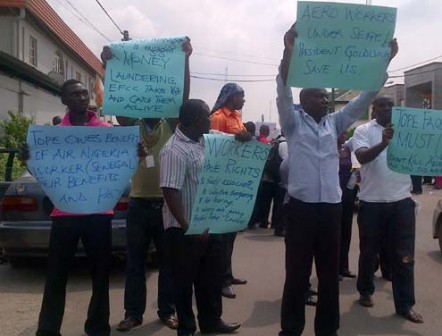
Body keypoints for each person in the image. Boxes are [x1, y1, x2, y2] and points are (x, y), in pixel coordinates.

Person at [277, 23, 398, 336]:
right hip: (301, 209)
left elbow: (365, 97)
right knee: (296, 273)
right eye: (319, 96)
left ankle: (327, 330)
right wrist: (288, 50)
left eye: (325, 96)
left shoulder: (335, 122)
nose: (325, 100)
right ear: (305, 101)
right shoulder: (292, 123)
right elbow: (282, 87)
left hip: (331, 209)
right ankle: (290, 329)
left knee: (329, 275)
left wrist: (385, 61)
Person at [100, 39, 193, 332]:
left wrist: (185, 60)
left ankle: (167, 311)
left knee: (168, 264)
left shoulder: (172, 124)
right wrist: (108, 66)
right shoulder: (133, 124)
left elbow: (182, 94)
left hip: (167, 205)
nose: (152, 101)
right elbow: (116, 100)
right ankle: (133, 313)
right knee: (135, 264)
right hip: (139, 204)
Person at [33, 79, 114, 336]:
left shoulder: (105, 129)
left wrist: (135, 152)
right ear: (64, 100)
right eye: (75, 94)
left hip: (98, 214)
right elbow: (42, 172)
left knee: (101, 276)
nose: (81, 98)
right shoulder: (53, 135)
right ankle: (47, 330)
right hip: (65, 214)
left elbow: (119, 164)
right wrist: (29, 158)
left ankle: (98, 328)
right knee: (56, 275)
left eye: (83, 93)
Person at [160, 99, 241, 336]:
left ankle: (211, 322)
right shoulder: (173, 150)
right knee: (184, 283)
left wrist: (242, 137)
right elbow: (170, 192)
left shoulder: (204, 140)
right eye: (208, 116)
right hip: (184, 231)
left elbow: (231, 138)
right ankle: (186, 328)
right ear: (196, 119)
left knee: (210, 280)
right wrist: (190, 227)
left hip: (209, 226)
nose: (211, 119)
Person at [353, 96, 423, 324]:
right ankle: (365, 290)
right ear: (374, 111)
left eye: (390, 106)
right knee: (368, 252)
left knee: (404, 257)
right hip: (372, 203)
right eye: (381, 106)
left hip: (401, 201)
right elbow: (362, 157)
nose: (386, 109)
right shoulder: (363, 131)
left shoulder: (406, 131)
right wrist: (383, 143)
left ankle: (405, 305)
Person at [210, 83, 250, 299]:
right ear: (230, 97)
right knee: (221, 236)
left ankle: (228, 273)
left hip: (236, 180)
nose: (243, 100)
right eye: (240, 96)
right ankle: (221, 280)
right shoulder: (218, 117)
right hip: (222, 183)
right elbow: (215, 146)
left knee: (231, 233)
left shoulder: (236, 116)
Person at [338, 131, 357, 279]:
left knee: (346, 232)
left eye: (344, 132)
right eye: (340, 132)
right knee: (333, 234)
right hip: (332, 197)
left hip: (348, 195)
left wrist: (356, 174)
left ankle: (343, 266)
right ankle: (332, 269)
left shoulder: (348, 149)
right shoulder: (328, 150)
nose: (343, 135)